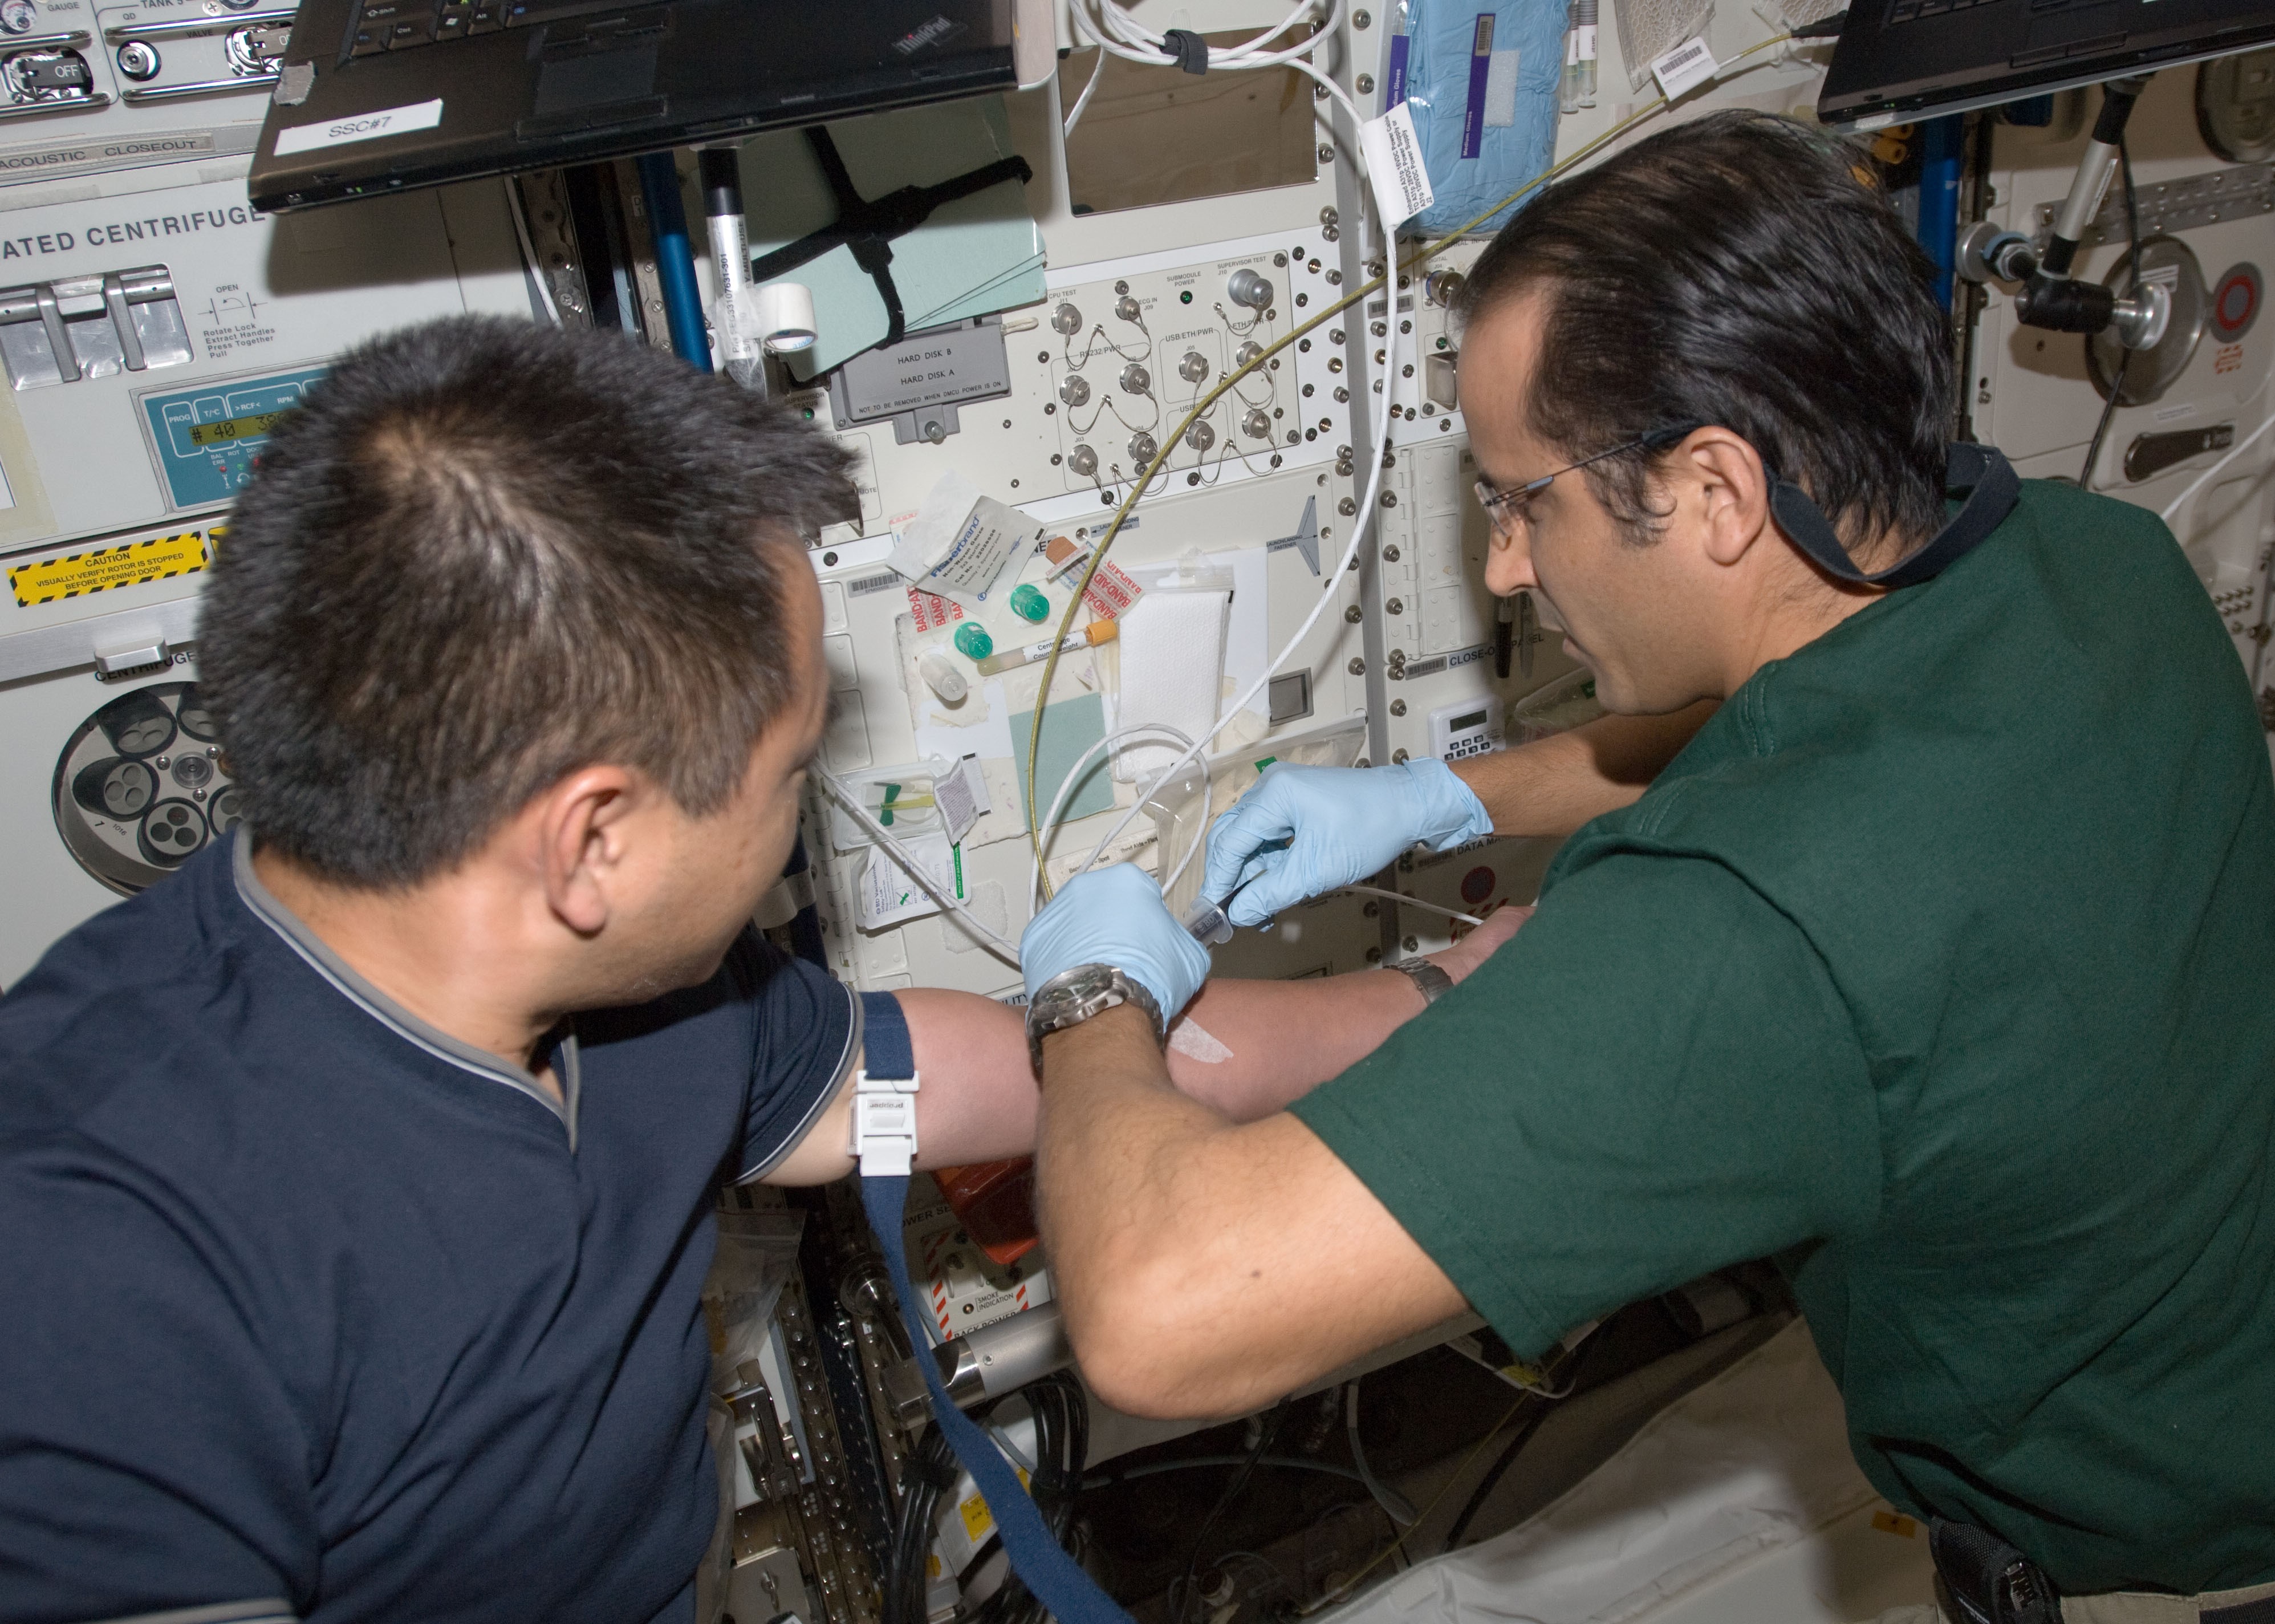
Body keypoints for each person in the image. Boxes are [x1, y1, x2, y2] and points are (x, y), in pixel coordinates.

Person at [0, 316, 1523, 1624]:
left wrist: (1445, 996)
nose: (804, 818)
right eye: (794, 770)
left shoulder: (637, 1000)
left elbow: (948, 1079)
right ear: (590, 841)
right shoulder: (97, 1263)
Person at [1016, 110, 2275, 1613]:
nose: (1504, 565)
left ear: (1716, 491)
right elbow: (1826, 737)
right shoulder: (2093, 563)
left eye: (1517, 499)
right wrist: (1449, 797)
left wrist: (1090, 988)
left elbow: (1162, 1312)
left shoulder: (1754, 932)